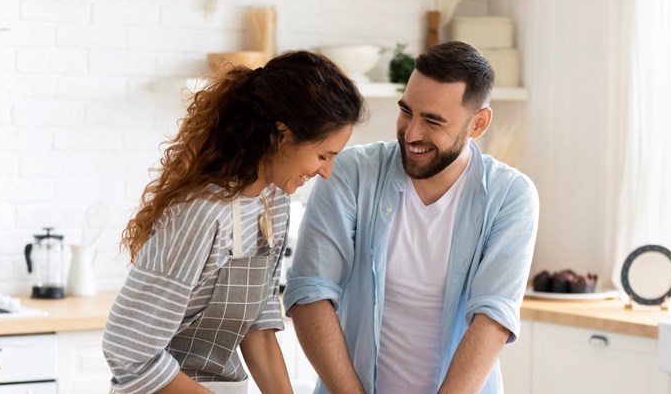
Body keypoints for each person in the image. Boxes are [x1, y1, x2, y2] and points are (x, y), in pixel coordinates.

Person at [102, 51, 365, 394]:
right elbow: (128, 350)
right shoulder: (201, 213)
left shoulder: (274, 203)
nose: (326, 172)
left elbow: (256, 321)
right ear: (282, 135)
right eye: (322, 155)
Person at [283, 41, 539, 394]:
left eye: (433, 120)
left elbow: (492, 319)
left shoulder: (510, 196)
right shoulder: (350, 173)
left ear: (478, 123)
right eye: (407, 112)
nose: (412, 133)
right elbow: (310, 292)